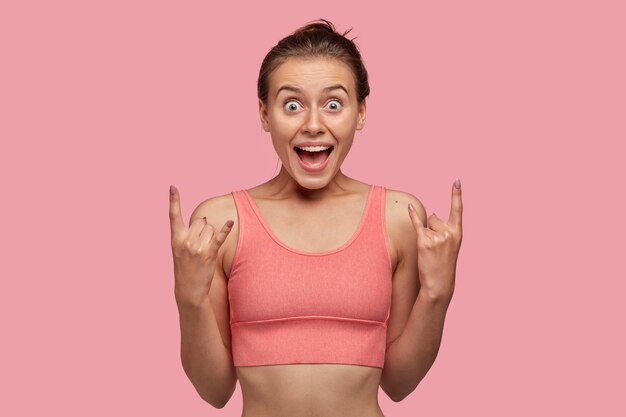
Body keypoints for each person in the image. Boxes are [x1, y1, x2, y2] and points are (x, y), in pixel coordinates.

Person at [168, 19, 463, 416]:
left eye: (334, 104)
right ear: (264, 114)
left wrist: (437, 293)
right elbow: (215, 389)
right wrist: (189, 297)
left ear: (360, 113)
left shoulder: (398, 218)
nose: (312, 124)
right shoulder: (222, 223)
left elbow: (398, 382)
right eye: (292, 105)